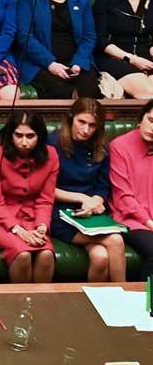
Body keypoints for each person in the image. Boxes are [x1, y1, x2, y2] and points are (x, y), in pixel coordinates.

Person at [49, 97, 127, 283]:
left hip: (90, 214)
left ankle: (99, 307)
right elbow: (45, 189)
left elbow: (102, 186)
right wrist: (83, 198)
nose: (86, 130)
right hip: (59, 213)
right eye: (81, 122)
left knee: (100, 257)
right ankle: (125, 297)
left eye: (92, 125)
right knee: (116, 240)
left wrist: (97, 201)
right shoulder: (53, 142)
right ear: (71, 118)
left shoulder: (100, 147)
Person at [0, 108, 58, 284]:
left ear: (39, 136)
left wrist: (41, 226)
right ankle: (19, 307)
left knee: (46, 254)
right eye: (18, 135)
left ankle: (39, 307)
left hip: (33, 216)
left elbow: (45, 199)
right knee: (22, 254)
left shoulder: (51, 155)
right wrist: (19, 230)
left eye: (30, 136)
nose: (24, 142)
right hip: (0, 219)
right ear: (10, 135)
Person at [12, 0, 94, 101]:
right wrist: (50, 64)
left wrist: (78, 62)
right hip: (40, 63)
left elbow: (89, 37)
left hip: (75, 61)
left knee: (89, 92)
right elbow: (25, 37)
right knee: (61, 91)